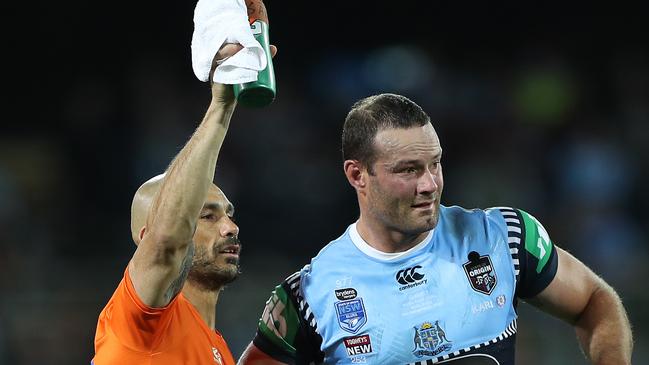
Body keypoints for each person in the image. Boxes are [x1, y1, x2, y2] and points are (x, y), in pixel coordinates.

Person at [238, 94, 634, 364]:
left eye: (435, 164)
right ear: (358, 175)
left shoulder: (503, 236)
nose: (429, 184)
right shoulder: (308, 295)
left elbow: (595, 301)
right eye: (408, 170)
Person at [91, 42, 276, 365]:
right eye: (206, 216)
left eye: (229, 215)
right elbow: (167, 241)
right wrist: (222, 106)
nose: (230, 227)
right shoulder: (138, 321)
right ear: (144, 237)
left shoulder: (218, 349)